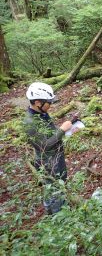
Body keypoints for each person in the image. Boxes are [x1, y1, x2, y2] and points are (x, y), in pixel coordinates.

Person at [24, 82, 73, 214]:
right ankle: (58, 216)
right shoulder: (30, 122)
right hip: (48, 161)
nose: (50, 105)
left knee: (60, 183)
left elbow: (50, 132)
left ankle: (60, 209)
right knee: (53, 188)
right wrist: (62, 130)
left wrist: (68, 130)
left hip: (56, 157)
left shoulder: (42, 114)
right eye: (49, 102)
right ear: (38, 102)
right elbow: (44, 146)